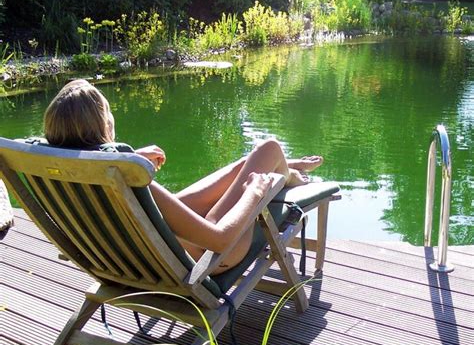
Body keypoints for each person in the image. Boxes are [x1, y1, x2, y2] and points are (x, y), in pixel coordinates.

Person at [44, 79, 324, 273]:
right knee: (269, 147)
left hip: (145, 257)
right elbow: (219, 240)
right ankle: (283, 173)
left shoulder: (66, 180)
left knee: (255, 160)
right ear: (105, 127)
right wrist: (255, 192)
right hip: (208, 256)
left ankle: (280, 166)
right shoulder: (124, 178)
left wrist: (130, 160)